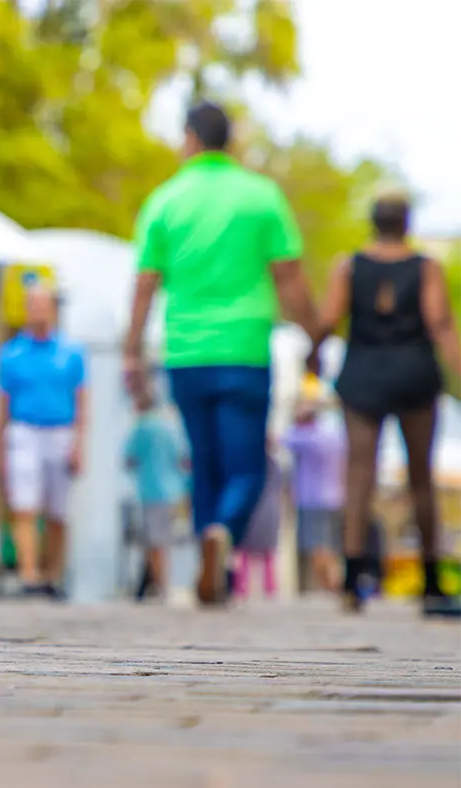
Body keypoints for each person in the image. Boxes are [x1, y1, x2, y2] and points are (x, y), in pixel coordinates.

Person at [124, 100, 321, 607]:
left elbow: (145, 285)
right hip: (244, 349)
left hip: (186, 352)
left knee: (204, 463)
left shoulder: (165, 200)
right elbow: (290, 278)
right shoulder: (261, 197)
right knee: (248, 466)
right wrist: (315, 335)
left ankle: (210, 556)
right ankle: (224, 534)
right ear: (229, 140)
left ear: (190, 137)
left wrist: (131, 353)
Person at [312, 189, 461, 615]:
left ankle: (351, 575)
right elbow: (439, 322)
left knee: (359, 474)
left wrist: (313, 351)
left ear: (373, 222)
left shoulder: (348, 266)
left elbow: (329, 318)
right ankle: (431, 579)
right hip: (414, 373)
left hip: (363, 375)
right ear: (406, 223)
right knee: (420, 476)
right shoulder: (425, 268)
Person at [0, 286, 86, 599]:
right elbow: (1, 406)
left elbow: (82, 400)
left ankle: (53, 573)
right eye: (32, 304)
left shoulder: (71, 352)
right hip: (24, 431)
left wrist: (80, 443)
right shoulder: (10, 354)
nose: (38, 310)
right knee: (24, 505)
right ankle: (29, 574)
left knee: (58, 511)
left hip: (61, 431)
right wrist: (0, 453)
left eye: (43, 304)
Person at [123, 382, 188, 602]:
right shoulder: (169, 427)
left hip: (152, 490)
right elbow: (183, 458)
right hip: (174, 490)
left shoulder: (142, 428)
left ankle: (161, 586)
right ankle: (159, 584)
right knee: (163, 540)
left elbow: (129, 458)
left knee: (155, 542)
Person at [282, 397, 346, 593]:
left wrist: (299, 417)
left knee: (318, 547)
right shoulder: (334, 435)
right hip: (337, 497)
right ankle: (338, 583)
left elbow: (282, 439)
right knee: (331, 546)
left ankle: (335, 586)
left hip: (312, 500)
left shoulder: (305, 437)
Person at [234, 451, 283, 601]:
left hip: (252, 507)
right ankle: (269, 588)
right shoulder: (275, 464)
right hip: (269, 506)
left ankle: (241, 587)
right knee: (267, 553)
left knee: (245, 550)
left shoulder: (246, 462)